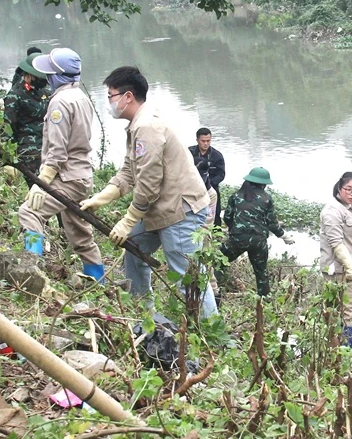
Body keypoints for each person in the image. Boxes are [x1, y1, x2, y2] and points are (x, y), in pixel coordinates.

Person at [80, 66, 217, 316]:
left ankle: (208, 333)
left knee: (187, 278)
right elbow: (129, 172)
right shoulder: (137, 126)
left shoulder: (147, 127)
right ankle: (144, 315)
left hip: (180, 211)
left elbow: (149, 184)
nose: (109, 102)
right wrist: (100, 198)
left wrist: (128, 219)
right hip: (160, 210)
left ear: (128, 96)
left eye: (110, 96)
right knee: (134, 247)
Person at [17, 47, 104, 281]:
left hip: (65, 178)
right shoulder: (81, 98)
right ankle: (99, 282)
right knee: (80, 234)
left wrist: (41, 183)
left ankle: (31, 269)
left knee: (29, 212)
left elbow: (56, 152)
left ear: (56, 76)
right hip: (82, 176)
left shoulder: (60, 103)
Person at [219, 167, 292, 297]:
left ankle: (215, 291)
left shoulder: (236, 196)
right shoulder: (266, 198)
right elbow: (272, 223)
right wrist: (284, 236)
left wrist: (234, 230)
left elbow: (227, 217)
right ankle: (264, 300)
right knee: (261, 272)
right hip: (259, 241)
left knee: (218, 262)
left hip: (238, 239)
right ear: (263, 184)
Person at [320, 172, 352, 348]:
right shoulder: (332, 211)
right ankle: (349, 351)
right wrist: (349, 267)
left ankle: (336, 348)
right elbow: (336, 243)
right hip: (339, 271)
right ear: (340, 188)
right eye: (349, 189)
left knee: (340, 310)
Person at [2, 51, 52, 177]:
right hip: (29, 154)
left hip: (49, 149)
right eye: (39, 77)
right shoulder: (15, 95)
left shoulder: (45, 91)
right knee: (37, 190)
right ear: (28, 74)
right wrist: (8, 160)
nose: (42, 80)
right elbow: (7, 129)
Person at [189, 127, 225, 227]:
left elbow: (221, 174)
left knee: (215, 213)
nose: (206, 143)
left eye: (208, 141)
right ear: (197, 140)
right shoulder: (189, 153)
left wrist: (209, 184)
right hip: (192, 189)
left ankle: (217, 234)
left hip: (211, 187)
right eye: (203, 141)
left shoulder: (217, 156)